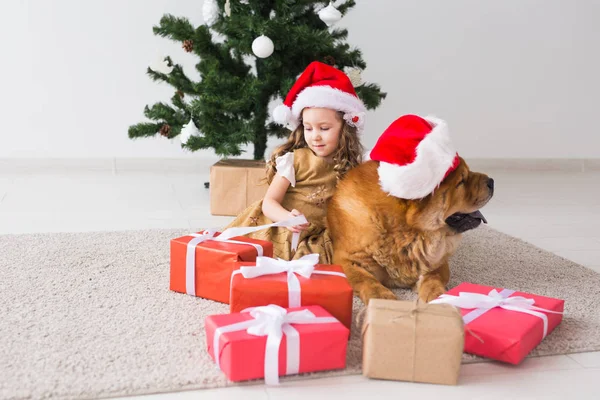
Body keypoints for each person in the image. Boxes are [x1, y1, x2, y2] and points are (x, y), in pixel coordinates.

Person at [223, 61, 367, 263]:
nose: (315, 136)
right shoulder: (294, 160)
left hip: (316, 234)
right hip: (281, 225)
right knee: (250, 259)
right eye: (308, 128)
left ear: (345, 129)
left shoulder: (351, 166)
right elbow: (269, 203)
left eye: (324, 128)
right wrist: (286, 217)